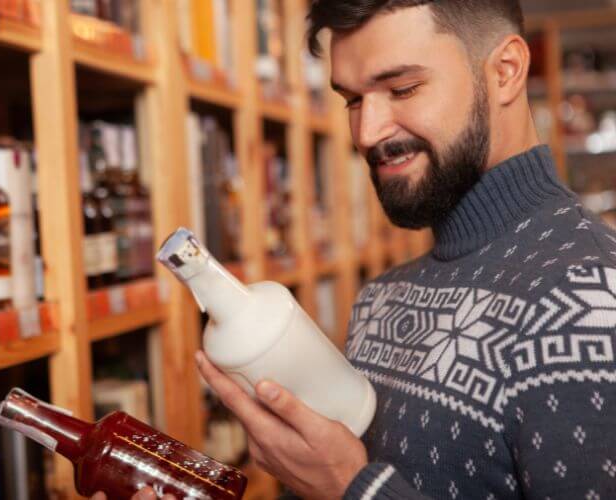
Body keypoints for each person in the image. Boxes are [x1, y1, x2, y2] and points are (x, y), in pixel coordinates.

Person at [98, 1, 616, 498]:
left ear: (505, 71)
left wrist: (350, 489)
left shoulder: (592, 300)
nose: (368, 132)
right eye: (351, 99)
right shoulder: (380, 302)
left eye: (403, 87)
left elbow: (345, 487)